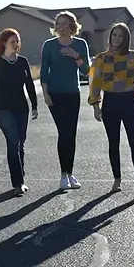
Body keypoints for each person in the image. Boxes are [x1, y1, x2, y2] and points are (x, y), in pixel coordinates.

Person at [87, 22, 134, 195]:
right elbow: (95, 82)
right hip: (110, 103)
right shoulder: (101, 58)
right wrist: (96, 105)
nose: (117, 38)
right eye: (114, 35)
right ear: (110, 37)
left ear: (126, 39)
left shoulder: (133, 56)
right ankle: (117, 179)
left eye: (120, 36)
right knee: (113, 143)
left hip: (129, 102)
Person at [0, 28, 39, 196]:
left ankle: (21, 177)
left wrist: (34, 105)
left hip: (21, 108)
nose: (16, 44)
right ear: (4, 43)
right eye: (13, 41)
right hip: (2, 108)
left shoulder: (22, 62)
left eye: (17, 41)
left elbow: (29, 84)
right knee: (13, 141)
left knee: (20, 142)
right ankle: (18, 183)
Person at [40, 11, 91, 191]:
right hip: (55, 94)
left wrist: (75, 56)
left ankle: (70, 173)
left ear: (72, 26)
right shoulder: (49, 45)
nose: (60, 27)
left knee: (72, 134)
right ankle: (63, 175)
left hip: (73, 94)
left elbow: (86, 71)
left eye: (64, 23)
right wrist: (45, 94)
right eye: (58, 24)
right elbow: (44, 72)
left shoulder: (80, 44)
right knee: (64, 132)